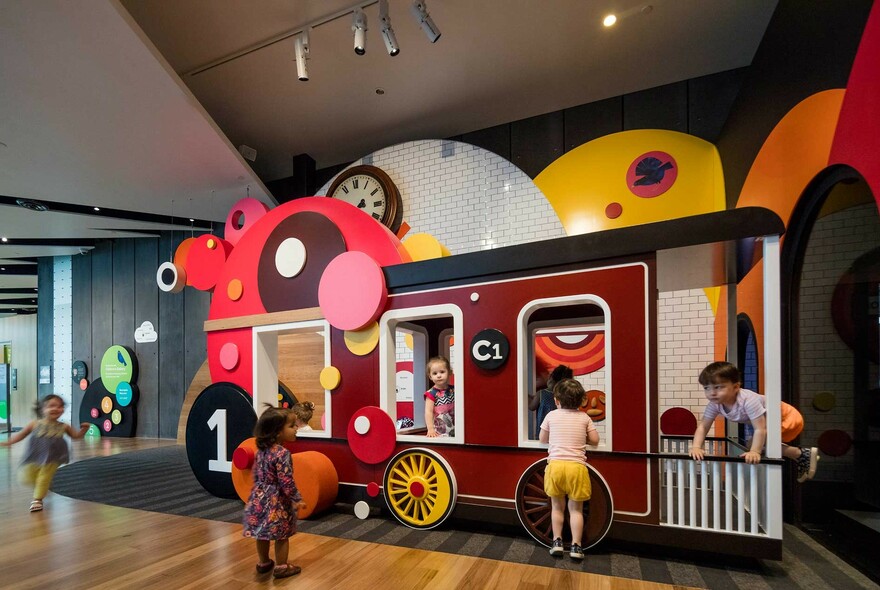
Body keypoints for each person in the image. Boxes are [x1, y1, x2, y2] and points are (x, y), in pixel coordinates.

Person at [688, 361, 818, 482]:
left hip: (786, 417)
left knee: (756, 447)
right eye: (706, 388)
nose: (712, 393)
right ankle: (802, 455)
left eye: (718, 387)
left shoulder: (748, 400)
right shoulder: (714, 404)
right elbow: (703, 427)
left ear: (736, 387)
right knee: (754, 445)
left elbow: (760, 429)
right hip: (771, 421)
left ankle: (800, 454)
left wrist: (755, 452)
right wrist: (696, 447)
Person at [242, 405, 308, 579]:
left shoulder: (261, 451)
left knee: (262, 533)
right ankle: (281, 566)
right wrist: (296, 498)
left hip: (259, 498)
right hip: (276, 501)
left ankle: (263, 563)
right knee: (282, 534)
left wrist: (258, 494)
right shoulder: (283, 453)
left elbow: (257, 474)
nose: (296, 429)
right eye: (292, 426)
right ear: (278, 432)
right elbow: (286, 481)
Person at [539, 378, 600, 560]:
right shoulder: (584, 417)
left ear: (556, 400)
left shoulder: (551, 416)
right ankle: (576, 546)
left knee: (557, 507)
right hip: (576, 468)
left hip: (556, 466)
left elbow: (542, 438)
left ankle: (557, 542)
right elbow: (595, 441)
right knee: (576, 510)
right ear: (582, 400)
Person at [0, 394, 89, 512]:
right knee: (26, 477)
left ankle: (37, 499)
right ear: (43, 409)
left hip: (53, 458)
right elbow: (20, 435)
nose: (56, 409)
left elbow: (76, 436)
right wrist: (6, 443)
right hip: (34, 455)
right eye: (51, 406)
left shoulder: (64, 426)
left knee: (43, 478)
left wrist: (84, 429)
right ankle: (44, 486)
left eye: (60, 406)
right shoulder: (34, 424)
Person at [529, 364, 574, 439]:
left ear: (551, 377)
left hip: (543, 434)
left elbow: (531, 406)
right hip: (559, 435)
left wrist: (523, 394)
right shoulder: (565, 397)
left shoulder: (541, 393)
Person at [424, 355, 454, 437]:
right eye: (435, 373)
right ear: (430, 376)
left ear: (449, 372)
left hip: (456, 428)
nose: (439, 375)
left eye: (442, 372)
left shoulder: (454, 390)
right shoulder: (431, 393)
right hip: (439, 430)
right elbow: (428, 412)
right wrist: (430, 429)